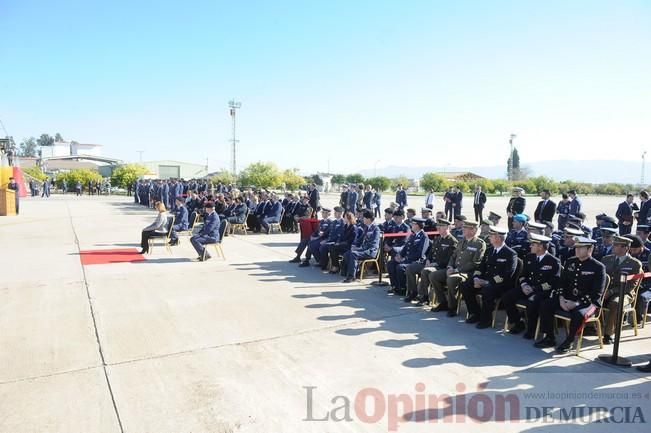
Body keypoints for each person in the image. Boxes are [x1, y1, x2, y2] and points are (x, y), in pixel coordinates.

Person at [535, 236, 606, 354]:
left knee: (578, 314)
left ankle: (569, 340)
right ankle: (549, 337)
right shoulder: (570, 262)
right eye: (576, 247)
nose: (576, 250)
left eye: (580, 248)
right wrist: (561, 298)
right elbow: (562, 283)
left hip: (587, 302)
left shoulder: (598, 267)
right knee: (546, 305)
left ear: (590, 249)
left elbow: (596, 292)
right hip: (567, 298)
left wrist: (577, 303)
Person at [502, 233, 561, 339]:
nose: (530, 246)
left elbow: (553, 283)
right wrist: (524, 285)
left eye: (533, 244)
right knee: (507, 297)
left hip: (542, 291)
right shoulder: (529, 257)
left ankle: (532, 330)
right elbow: (523, 274)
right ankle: (518, 322)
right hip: (527, 287)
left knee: (532, 302)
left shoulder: (553, 261)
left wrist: (534, 289)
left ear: (541, 247)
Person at [461, 226, 517, 328]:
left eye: (491, 236)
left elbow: (507, 274)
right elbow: (481, 266)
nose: (489, 238)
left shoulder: (510, 254)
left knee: (488, 290)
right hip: (485, 280)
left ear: (498, 238)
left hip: (501, 284)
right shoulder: (489, 250)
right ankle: (475, 313)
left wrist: (487, 282)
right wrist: (476, 278)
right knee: (466, 285)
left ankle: (486, 319)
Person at [429, 221, 486, 315]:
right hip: (454, 269)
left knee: (451, 280)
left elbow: (475, 263)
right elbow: (453, 256)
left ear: (473, 230)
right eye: (464, 227)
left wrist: (456, 270)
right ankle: (443, 302)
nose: (463, 229)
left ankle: (452, 307)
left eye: (466, 228)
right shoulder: (461, 241)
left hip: (467, 272)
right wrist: (450, 266)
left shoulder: (479, 243)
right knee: (433, 276)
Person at [600, 236, 642, 344]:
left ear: (626, 248)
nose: (613, 247)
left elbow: (631, 286)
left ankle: (608, 334)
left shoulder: (635, 264)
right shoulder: (606, 259)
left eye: (616, 245)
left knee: (615, 303)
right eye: (614, 244)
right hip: (605, 290)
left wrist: (612, 292)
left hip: (624, 293)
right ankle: (592, 326)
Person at [386, 217, 429, 296]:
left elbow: (420, 253)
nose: (411, 225)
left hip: (416, 261)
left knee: (400, 267)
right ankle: (395, 286)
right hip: (407, 259)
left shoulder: (424, 237)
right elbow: (406, 247)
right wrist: (400, 255)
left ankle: (403, 288)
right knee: (390, 264)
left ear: (418, 225)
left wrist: (405, 258)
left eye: (413, 224)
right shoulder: (413, 235)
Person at [341, 210, 381, 283]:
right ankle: (354, 272)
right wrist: (354, 245)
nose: (363, 219)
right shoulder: (366, 228)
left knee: (353, 254)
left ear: (368, 219)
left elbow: (374, 244)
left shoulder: (376, 229)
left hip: (370, 251)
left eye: (364, 218)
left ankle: (351, 277)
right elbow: (360, 240)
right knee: (347, 253)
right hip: (363, 249)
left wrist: (361, 249)